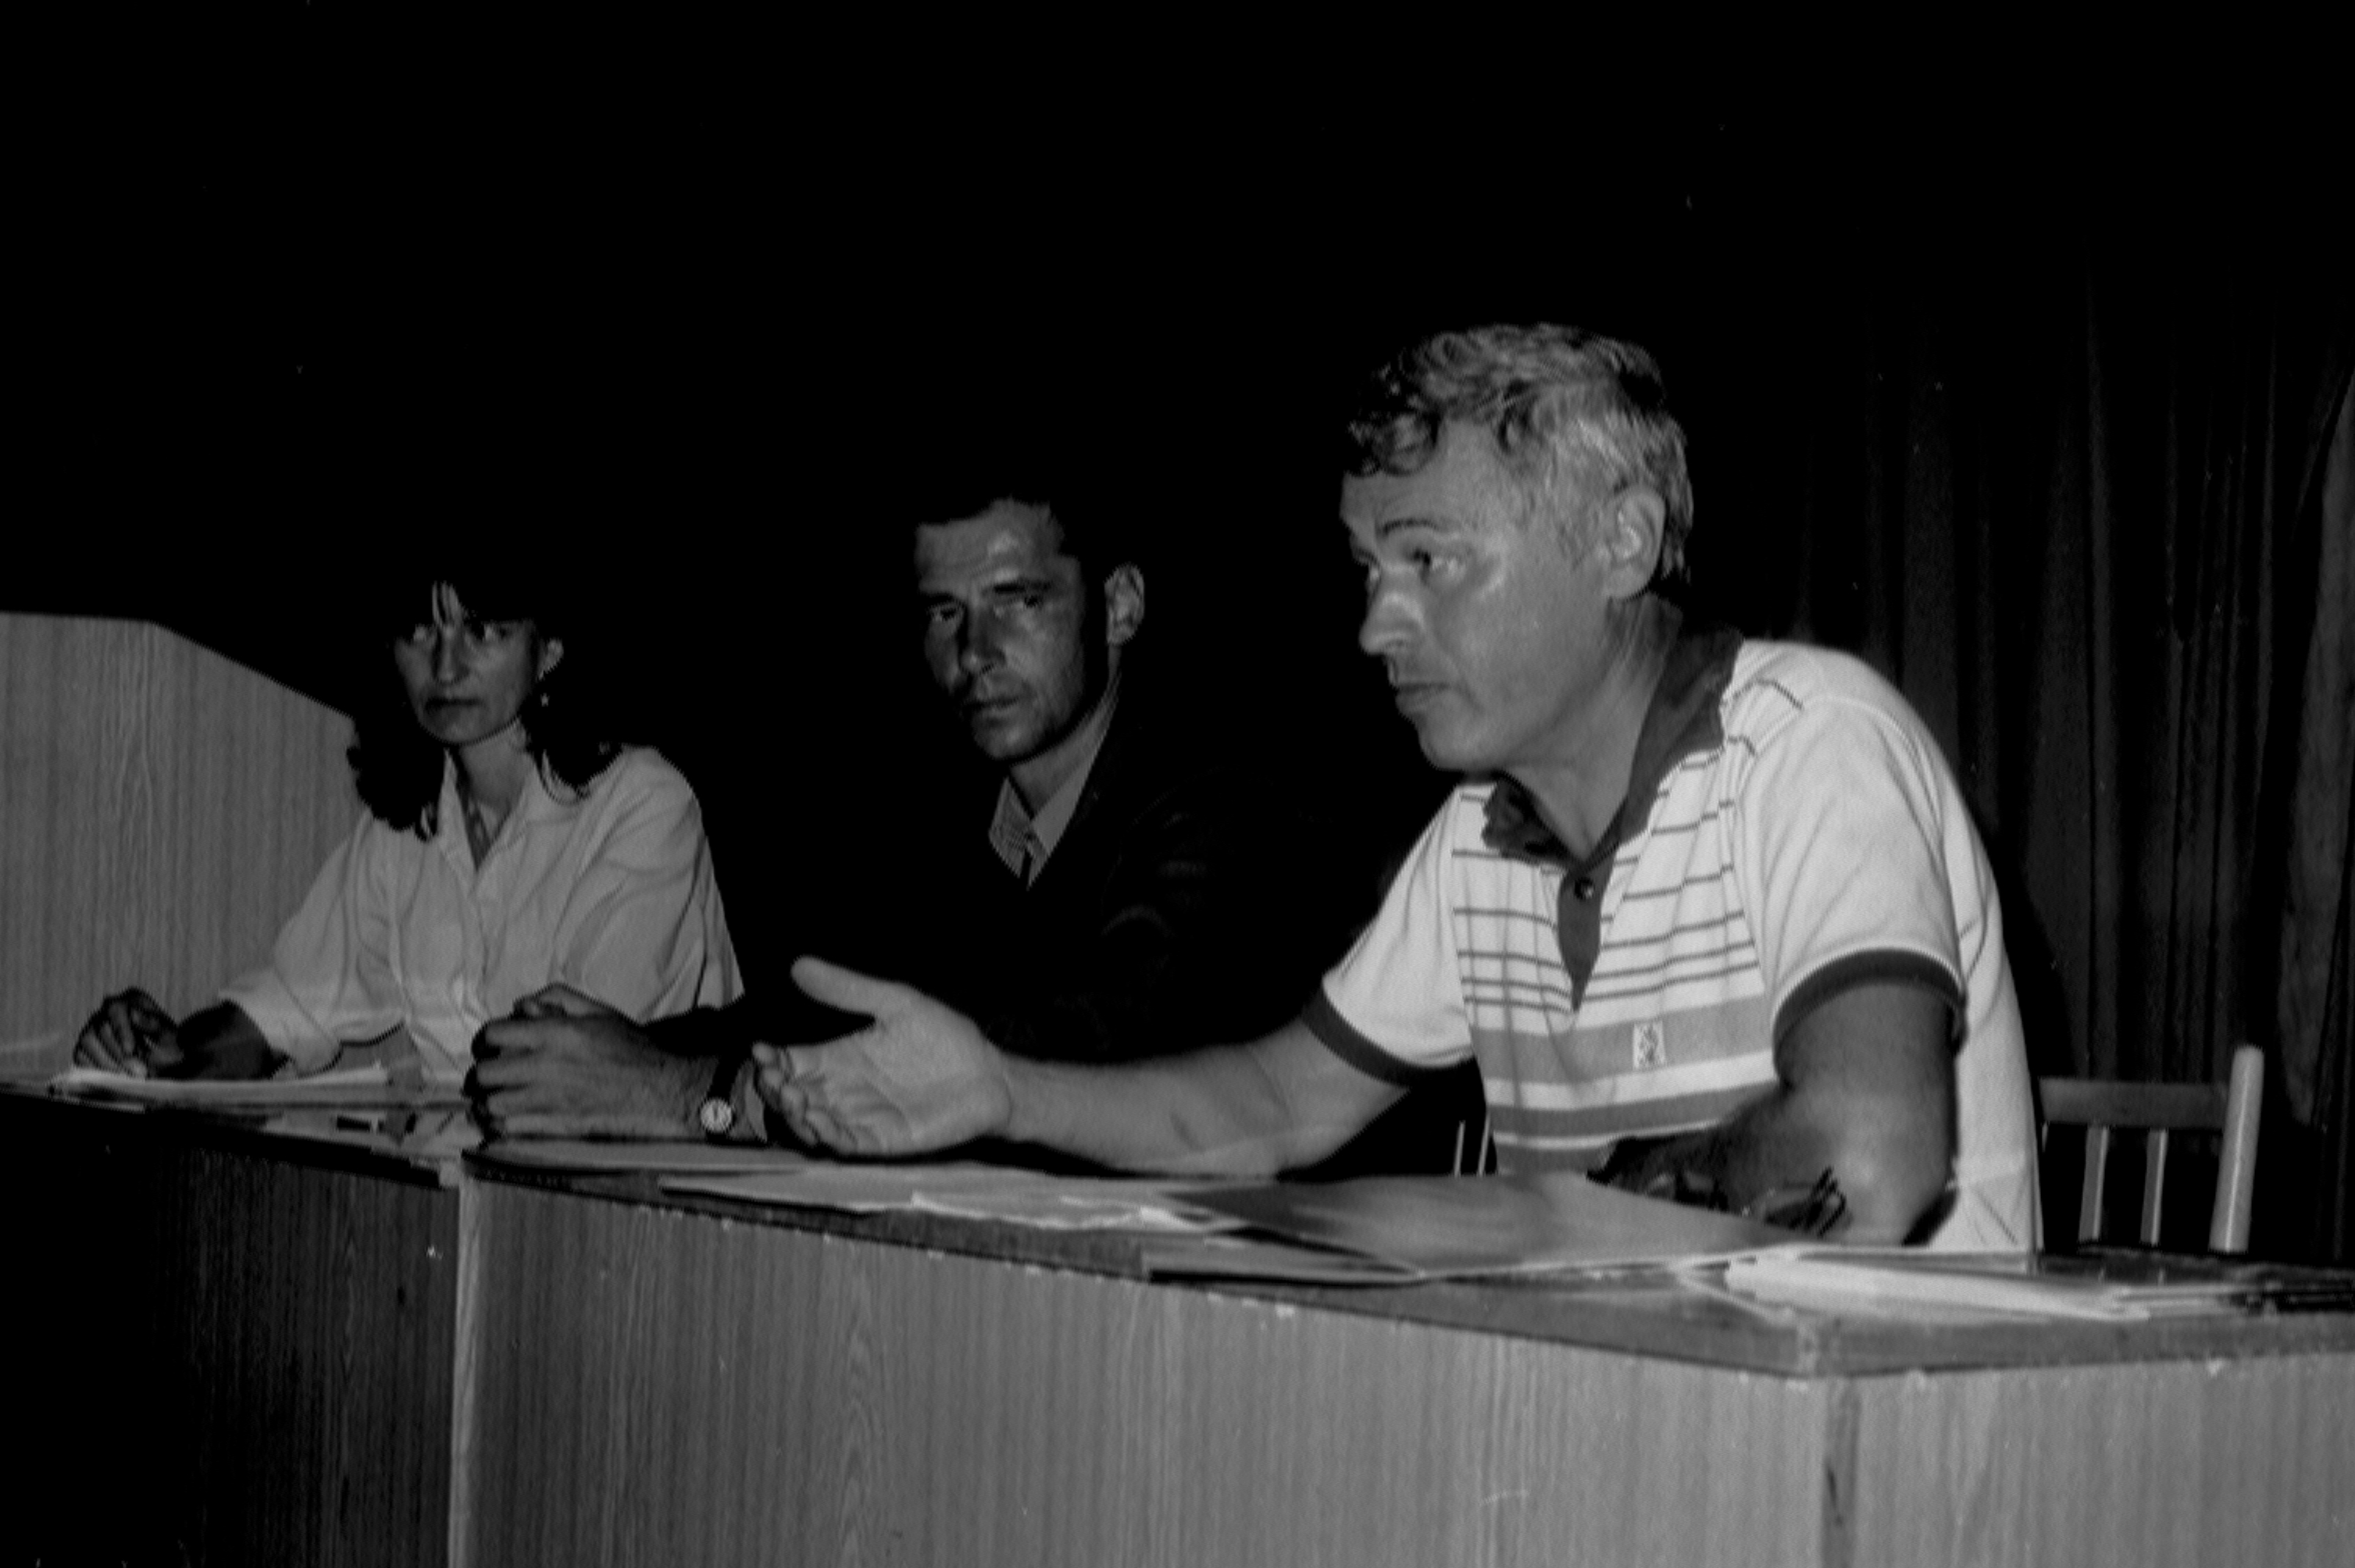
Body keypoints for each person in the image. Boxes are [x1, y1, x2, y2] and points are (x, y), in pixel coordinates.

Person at [753, 326, 2039, 1250]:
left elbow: (1869, 1153)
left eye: (1429, 559)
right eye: (1370, 569)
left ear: (1620, 540)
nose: (1376, 624)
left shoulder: (1811, 744)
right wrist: (999, 1087)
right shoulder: (1479, 838)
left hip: (1904, 1465)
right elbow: (1272, 1107)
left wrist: (1548, 1215)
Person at [463, 484, 1344, 1141]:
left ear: (1119, 607)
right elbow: (820, 1012)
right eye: (945, 612)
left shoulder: (1222, 803)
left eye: (1018, 600)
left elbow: (1081, 1057)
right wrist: (611, 1052)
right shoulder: (959, 817)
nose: (975, 651)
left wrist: (683, 1094)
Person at [74, 579, 738, 1082]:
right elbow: (287, 1008)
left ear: (550, 650)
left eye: (482, 631)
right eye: (421, 631)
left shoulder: (643, 804)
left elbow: (571, 1063)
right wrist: (163, 1054)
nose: (445, 667)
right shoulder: (406, 827)